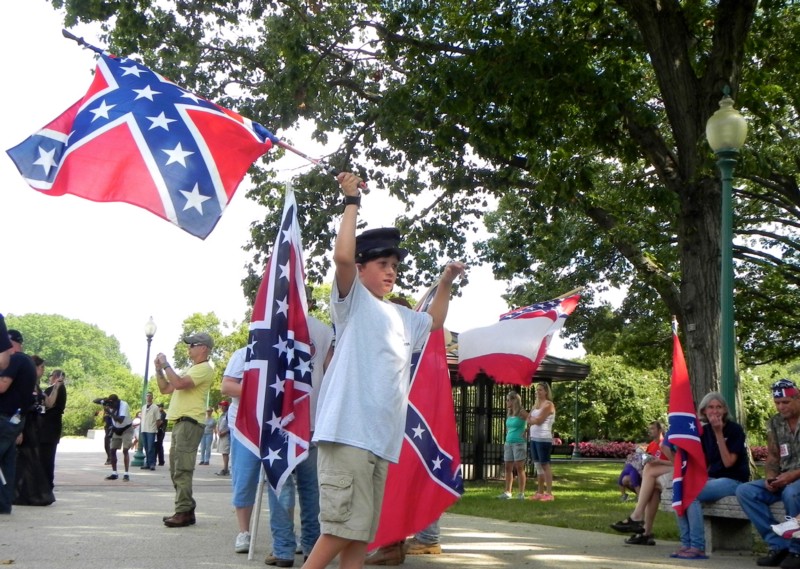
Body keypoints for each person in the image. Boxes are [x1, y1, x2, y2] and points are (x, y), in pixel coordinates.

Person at [303, 171, 465, 569]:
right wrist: (351, 201)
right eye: (381, 263)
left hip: (380, 440)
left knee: (360, 533)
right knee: (341, 527)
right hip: (347, 433)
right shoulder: (352, 302)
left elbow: (437, 321)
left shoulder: (403, 317)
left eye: (394, 265)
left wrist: (445, 282)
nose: (390, 271)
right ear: (361, 270)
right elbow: (342, 256)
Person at [265, 310, 334, 567]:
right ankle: (312, 550)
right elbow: (331, 373)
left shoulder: (269, 327)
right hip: (312, 419)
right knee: (311, 489)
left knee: (279, 485)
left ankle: (283, 550)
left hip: (278, 422)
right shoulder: (323, 330)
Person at [669, 392, 749, 559]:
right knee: (680, 490)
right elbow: (702, 463)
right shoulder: (704, 431)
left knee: (693, 494)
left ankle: (697, 546)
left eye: (719, 407)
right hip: (712, 479)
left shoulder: (734, 430)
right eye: (711, 407)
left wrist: (719, 433)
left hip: (733, 480)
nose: (715, 411)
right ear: (704, 411)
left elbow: (728, 463)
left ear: (725, 410)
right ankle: (686, 544)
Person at [736, 378, 800, 568]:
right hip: (784, 477)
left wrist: (793, 476)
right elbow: (773, 455)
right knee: (745, 491)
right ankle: (779, 545)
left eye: (785, 402)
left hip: (796, 480)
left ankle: (797, 551)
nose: (781, 407)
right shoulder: (774, 422)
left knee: (792, 493)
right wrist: (770, 477)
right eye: (777, 403)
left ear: (798, 398)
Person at [154, 332, 214, 528]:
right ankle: (186, 509)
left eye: (192, 345)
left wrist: (165, 364)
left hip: (189, 423)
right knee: (176, 469)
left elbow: (178, 384)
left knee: (182, 469)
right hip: (182, 423)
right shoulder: (193, 369)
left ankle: (183, 511)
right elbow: (166, 389)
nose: (188, 348)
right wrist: (159, 370)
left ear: (203, 348)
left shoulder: (204, 368)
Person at [611, 437, 674, 545]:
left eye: (652, 429)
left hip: (689, 470)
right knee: (650, 475)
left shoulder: (683, 430)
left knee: (650, 473)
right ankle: (645, 532)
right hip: (676, 468)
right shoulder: (654, 443)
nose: (650, 431)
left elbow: (679, 461)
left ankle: (637, 518)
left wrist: (658, 460)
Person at [0, 328, 37, 514]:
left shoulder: (15, 360)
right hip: (16, 419)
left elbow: (2, 386)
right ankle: (4, 505)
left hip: (5, 418)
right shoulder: (28, 362)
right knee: (7, 464)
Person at [12, 349, 55, 507]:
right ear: (34, 367)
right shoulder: (24, 383)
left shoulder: (36, 385)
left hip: (35, 425)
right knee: (24, 460)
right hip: (26, 424)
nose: (43, 371)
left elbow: (49, 404)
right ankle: (19, 494)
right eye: (42, 367)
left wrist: (56, 387)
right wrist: (19, 430)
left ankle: (28, 494)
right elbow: (20, 406)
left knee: (31, 460)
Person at [618, 422, 664, 502]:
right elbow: (644, 458)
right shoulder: (651, 444)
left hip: (659, 475)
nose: (650, 431)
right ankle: (643, 496)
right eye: (649, 429)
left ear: (660, 430)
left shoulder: (665, 444)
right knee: (625, 479)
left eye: (652, 428)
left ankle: (653, 497)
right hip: (647, 472)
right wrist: (634, 457)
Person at [527, 381, 556, 501]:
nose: (537, 392)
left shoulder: (548, 405)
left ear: (546, 392)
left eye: (540, 390)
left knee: (545, 464)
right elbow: (529, 420)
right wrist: (531, 419)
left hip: (543, 438)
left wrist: (531, 419)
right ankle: (540, 492)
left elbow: (538, 420)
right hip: (534, 438)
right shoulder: (536, 405)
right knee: (538, 465)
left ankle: (549, 493)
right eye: (536, 390)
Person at [497, 391, 528, 500]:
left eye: (508, 399)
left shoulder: (522, 412)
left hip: (519, 442)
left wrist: (526, 431)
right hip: (508, 442)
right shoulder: (509, 413)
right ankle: (508, 492)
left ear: (514, 400)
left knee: (519, 468)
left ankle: (521, 493)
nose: (506, 402)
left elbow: (532, 421)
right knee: (507, 467)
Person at [40, 368, 67, 490]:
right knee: (47, 456)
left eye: (51, 375)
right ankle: (46, 482)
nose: (49, 377)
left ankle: (46, 483)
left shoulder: (56, 389)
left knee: (47, 456)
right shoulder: (57, 389)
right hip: (51, 427)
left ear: (55, 377)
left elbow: (49, 404)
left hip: (49, 427)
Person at [99, 394, 133, 481]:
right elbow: (95, 400)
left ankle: (126, 474)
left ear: (116, 402)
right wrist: (104, 400)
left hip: (126, 429)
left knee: (125, 450)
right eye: (110, 404)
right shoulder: (110, 404)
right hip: (116, 429)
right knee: (112, 450)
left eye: (112, 404)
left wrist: (110, 412)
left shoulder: (123, 405)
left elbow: (121, 420)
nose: (111, 406)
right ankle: (114, 473)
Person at [139, 391, 160, 470]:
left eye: (149, 396)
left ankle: (152, 463)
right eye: (147, 396)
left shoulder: (155, 407)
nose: (148, 397)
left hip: (151, 430)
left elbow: (158, 420)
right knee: (146, 447)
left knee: (151, 447)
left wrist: (155, 428)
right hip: (144, 429)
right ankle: (147, 463)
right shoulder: (143, 407)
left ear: (152, 397)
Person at [214, 400, 230, 476]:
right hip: (221, 436)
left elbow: (231, 426)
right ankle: (225, 468)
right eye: (221, 405)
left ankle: (226, 469)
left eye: (223, 405)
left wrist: (225, 432)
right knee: (223, 453)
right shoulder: (222, 415)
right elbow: (218, 425)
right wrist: (218, 431)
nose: (222, 407)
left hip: (227, 436)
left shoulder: (229, 414)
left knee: (225, 452)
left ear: (227, 406)